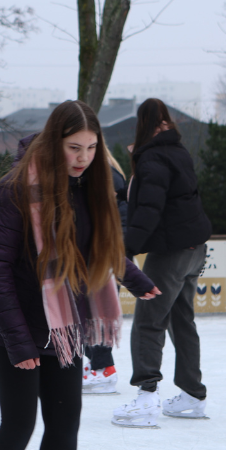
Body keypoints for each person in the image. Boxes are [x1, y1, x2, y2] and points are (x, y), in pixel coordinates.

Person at [0, 100, 158, 450]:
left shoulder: (90, 186)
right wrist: (18, 342)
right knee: (18, 423)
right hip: (14, 323)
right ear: (55, 142)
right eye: (74, 147)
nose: (82, 157)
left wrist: (134, 279)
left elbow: (103, 245)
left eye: (92, 148)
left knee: (65, 424)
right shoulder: (17, 188)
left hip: (64, 324)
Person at [111, 98, 213, 429]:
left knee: (149, 320)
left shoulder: (153, 159)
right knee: (182, 320)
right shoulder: (176, 151)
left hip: (170, 252)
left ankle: (146, 396)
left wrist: (127, 250)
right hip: (194, 248)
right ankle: (193, 395)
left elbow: (149, 212)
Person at [82, 146, 129, 395]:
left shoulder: (104, 173)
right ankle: (98, 365)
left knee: (97, 314)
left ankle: (104, 368)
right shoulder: (107, 171)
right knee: (91, 313)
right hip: (106, 253)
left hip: (106, 255)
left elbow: (111, 220)